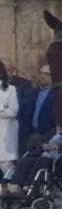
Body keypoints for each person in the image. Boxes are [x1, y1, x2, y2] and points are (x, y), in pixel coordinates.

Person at [0, 60, 18, 188]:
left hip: (6, 131)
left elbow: (13, 111)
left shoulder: (10, 89)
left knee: (6, 164)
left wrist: (1, 110)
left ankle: (14, 189)